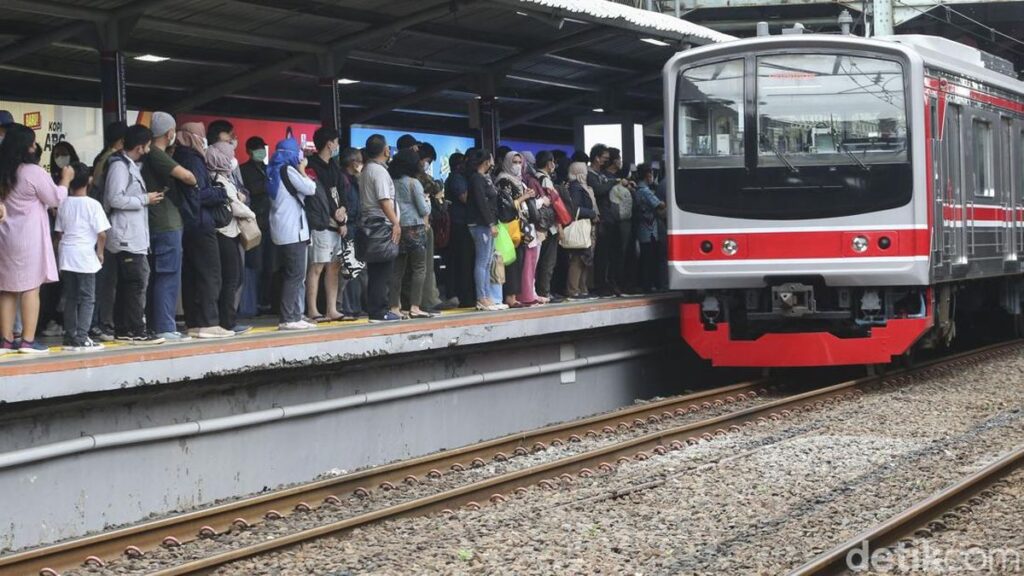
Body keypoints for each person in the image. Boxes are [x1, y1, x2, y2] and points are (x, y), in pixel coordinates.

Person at [0, 123, 71, 354]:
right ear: (27, 147)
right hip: (29, 237)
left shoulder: (3, 170)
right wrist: (66, 180)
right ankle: (28, 341)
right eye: (32, 142)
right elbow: (55, 198)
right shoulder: (32, 172)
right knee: (31, 288)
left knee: (7, 289)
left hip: (5, 237)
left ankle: (6, 340)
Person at [104, 125, 164, 345]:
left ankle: (123, 329)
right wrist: (144, 199)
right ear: (141, 146)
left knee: (128, 283)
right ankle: (137, 330)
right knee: (136, 282)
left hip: (132, 235)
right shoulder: (120, 167)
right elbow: (115, 199)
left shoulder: (129, 165)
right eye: (148, 145)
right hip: (126, 236)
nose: (149, 149)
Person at [173, 122, 232, 339]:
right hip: (201, 223)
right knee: (210, 273)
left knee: (191, 275)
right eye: (200, 136)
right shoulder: (194, 159)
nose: (203, 141)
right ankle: (209, 322)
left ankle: (194, 323)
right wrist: (220, 192)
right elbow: (199, 194)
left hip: (187, 224)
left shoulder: (177, 156)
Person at [142, 111, 196, 341]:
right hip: (166, 223)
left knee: (157, 275)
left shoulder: (147, 154)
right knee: (168, 275)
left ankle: (158, 324)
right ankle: (165, 325)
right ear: (169, 133)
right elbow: (188, 177)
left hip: (154, 222)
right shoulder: (156, 153)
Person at [56, 162, 109, 352]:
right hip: (85, 257)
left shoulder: (63, 203)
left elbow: (59, 233)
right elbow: (102, 234)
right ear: (89, 180)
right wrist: (100, 252)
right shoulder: (93, 205)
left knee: (70, 297)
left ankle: (70, 336)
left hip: (67, 256)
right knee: (87, 298)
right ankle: (82, 336)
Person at [268, 137, 317, 330]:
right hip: (293, 231)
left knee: (295, 275)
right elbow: (310, 188)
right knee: (295, 275)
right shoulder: (287, 170)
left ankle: (296, 314)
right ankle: (289, 318)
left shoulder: (272, 171)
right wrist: (303, 171)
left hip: (283, 230)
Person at [208, 141, 255, 335]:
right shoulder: (217, 179)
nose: (233, 158)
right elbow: (234, 205)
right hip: (225, 233)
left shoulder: (224, 177)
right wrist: (251, 214)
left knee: (232, 277)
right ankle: (227, 321)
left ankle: (227, 319)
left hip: (230, 232)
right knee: (231, 278)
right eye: (230, 154)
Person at [89, 120, 129, 342]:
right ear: (122, 141)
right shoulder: (112, 161)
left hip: (100, 224)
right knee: (103, 279)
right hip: (103, 225)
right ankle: (98, 324)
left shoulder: (102, 157)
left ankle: (97, 322)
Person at [304, 127, 348, 322]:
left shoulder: (334, 166)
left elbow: (341, 193)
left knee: (334, 267)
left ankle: (332, 309)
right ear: (329, 143)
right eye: (336, 142)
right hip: (321, 224)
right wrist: (335, 216)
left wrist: (343, 213)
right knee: (316, 266)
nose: (338, 145)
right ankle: (312, 310)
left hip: (337, 224)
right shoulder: (311, 166)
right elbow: (316, 198)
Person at [358, 134, 402, 323]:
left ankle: (375, 309)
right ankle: (379, 311)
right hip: (381, 225)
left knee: (375, 270)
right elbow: (384, 201)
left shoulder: (367, 169)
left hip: (369, 224)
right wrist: (395, 223)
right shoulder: (380, 172)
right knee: (383, 270)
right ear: (385, 150)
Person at [388, 148, 433, 319]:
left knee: (397, 270)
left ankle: (394, 307)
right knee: (419, 268)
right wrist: (428, 202)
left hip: (397, 227)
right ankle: (414, 307)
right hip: (415, 227)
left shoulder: (392, 181)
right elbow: (423, 209)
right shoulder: (414, 183)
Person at [494, 151, 535, 308]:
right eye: (514, 162)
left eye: (519, 162)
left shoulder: (518, 180)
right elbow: (506, 206)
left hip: (520, 226)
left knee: (518, 261)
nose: (517, 165)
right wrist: (524, 197)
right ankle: (509, 297)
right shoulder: (504, 180)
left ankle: (515, 295)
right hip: (509, 227)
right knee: (510, 262)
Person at [465, 149, 505, 311]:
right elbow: (481, 202)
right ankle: (481, 297)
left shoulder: (485, 178)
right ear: (486, 161)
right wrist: (490, 223)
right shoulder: (476, 179)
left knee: (488, 261)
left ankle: (488, 296)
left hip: (486, 223)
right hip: (480, 224)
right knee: (482, 262)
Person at [239, 136, 271, 315]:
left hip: (270, 222)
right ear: (249, 151)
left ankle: (264, 303)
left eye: (263, 148)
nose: (261, 152)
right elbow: (248, 191)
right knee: (253, 265)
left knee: (269, 265)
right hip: (253, 223)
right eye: (257, 149)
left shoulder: (268, 169)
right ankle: (250, 306)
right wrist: (266, 185)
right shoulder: (244, 170)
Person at [444, 152, 475, 307]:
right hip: (458, 225)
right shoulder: (456, 178)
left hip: (463, 224)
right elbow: (464, 197)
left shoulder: (462, 177)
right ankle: (461, 296)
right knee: (461, 261)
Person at [336, 147, 363, 320]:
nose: (362, 164)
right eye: (360, 160)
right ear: (353, 163)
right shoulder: (344, 181)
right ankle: (347, 307)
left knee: (354, 269)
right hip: (348, 227)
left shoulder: (354, 180)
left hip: (354, 227)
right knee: (348, 269)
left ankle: (353, 306)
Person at [532, 151, 562, 303]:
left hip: (541, 224)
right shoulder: (545, 180)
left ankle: (542, 291)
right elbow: (554, 203)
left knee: (542, 260)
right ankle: (545, 292)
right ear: (549, 163)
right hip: (548, 225)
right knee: (548, 260)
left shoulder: (535, 178)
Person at [566, 162, 599, 300]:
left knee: (584, 258)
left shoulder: (581, 187)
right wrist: (592, 213)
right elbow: (575, 209)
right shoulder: (575, 187)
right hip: (581, 227)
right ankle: (573, 290)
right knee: (578, 259)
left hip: (586, 226)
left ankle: (581, 288)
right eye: (583, 172)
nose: (586, 175)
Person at [633, 163, 665, 293]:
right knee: (650, 259)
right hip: (650, 229)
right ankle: (650, 285)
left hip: (642, 227)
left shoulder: (638, 190)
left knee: (645, 258)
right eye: (651, 173)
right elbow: (660, 205)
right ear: (647, 175)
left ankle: (644, 284)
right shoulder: (645, 191)